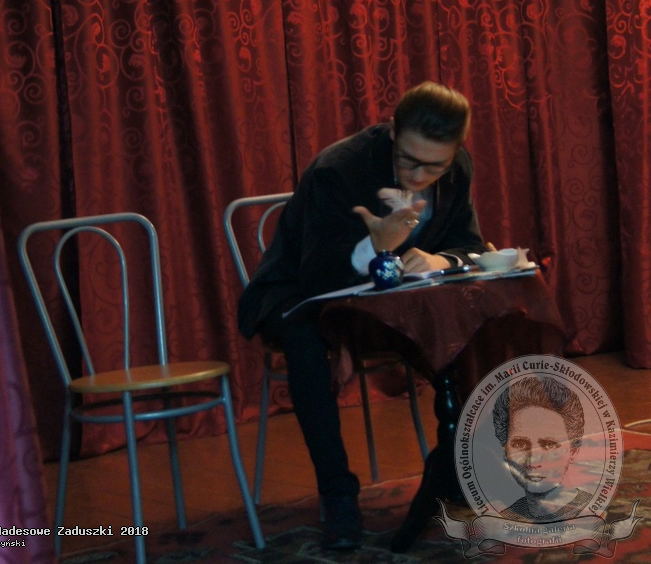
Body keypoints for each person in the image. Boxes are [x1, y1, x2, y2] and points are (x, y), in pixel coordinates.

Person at [238, 81, 486, 550]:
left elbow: (469, 245)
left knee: (469, 315)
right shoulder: (338, 169)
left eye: (434, 166)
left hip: (385, 299)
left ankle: (456, 463)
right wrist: (374, 245)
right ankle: (339, 495)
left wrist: (440, 260)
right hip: (296, 292)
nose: (419, 175)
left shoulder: (456, 168)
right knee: (306, 341)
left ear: (455, 152)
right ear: (392, 132)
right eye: (409, 161)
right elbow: (314, 273)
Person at [492, 375, 590, 523]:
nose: (533, 460)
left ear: (573, 451)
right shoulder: (505, 518)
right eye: (520, 444)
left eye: (549, 445)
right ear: (505, 451)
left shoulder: (595, 515)